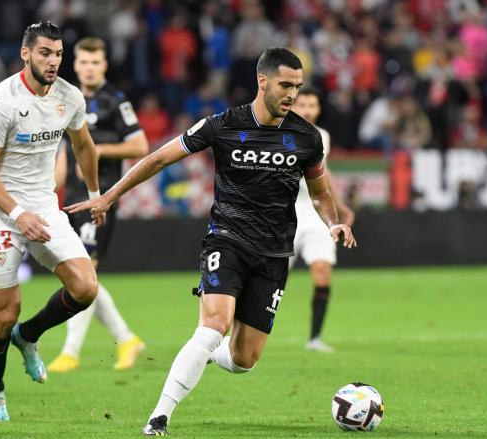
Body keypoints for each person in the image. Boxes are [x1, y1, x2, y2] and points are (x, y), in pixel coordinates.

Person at [66, 47, 356, 436]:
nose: (292, 94)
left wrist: (333, 222)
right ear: (263, 81)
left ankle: (202, 356)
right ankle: (159, 417)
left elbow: (319, 192)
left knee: (243, 359)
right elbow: (157, 159)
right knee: (213, 325)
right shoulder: (222, 125)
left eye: (298, 86)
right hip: (227, 241)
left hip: (273, 255)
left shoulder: (306, 137)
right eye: (285, 85)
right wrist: (108, 196)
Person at [0, 21, 104, 422]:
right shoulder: (2, 101)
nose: (53, 61)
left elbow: (84, 146)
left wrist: (97, 196)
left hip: (44, 209)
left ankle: (28, 337)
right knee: (4, 314)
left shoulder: (69, 96)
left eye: (59, 54)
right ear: (26, 53)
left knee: (85, 287)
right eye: (45, 53)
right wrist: (17, 214)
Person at [48, 37, 149, 373]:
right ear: (74, 65)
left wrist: (98, 151)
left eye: (96, 62)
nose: (89, 68)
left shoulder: (115, 101)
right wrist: (50, 187)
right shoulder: (66, 99)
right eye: (84, 62)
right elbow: (63, 150)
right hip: (72, 200)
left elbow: (140, 144)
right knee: (82, 276)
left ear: (104, 65)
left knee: (83, 272)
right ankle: (127, 339)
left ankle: (71, 352)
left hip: (101, 198)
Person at [288, 88, 355, 353]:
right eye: (301, 104)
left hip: (315, 215)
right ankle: (239, 335)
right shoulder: (279, 134)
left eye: (311, 105)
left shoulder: (321, 136)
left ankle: (314, 338)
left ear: (318, 109)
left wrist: (339, 206)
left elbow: (323, 175)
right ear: (292, 107)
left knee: (322, 272)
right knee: (270, 280)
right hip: (284, 214)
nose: (306, 109)